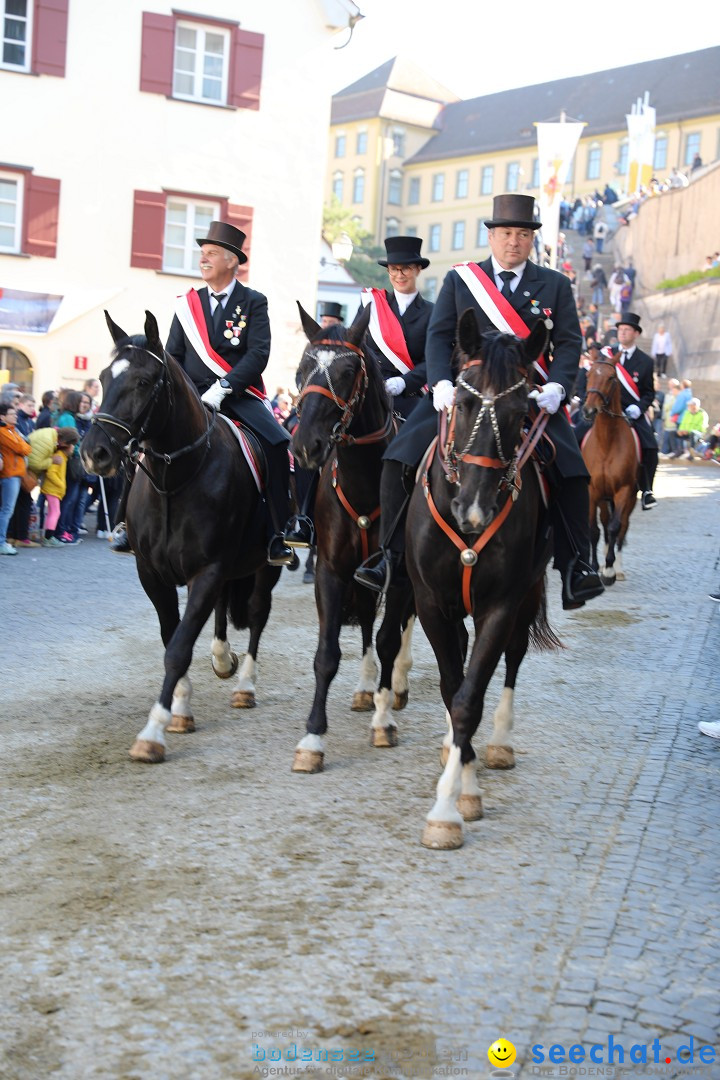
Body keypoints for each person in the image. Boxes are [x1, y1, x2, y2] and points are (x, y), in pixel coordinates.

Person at [356, 193, 604, 611]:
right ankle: (389, 556)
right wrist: (438, 384)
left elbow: (567, 343)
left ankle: (576, 564)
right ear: (491, 236)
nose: (514, 242)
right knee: (398, 457)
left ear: (531, 240)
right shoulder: (461, 280)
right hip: (465, 394)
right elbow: (439, 335)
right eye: (506, 233)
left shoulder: (555, 285)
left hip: (526, 397)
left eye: (523, 234)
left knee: (573, 470)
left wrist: (559, 387)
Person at [114, 220, 294, 566]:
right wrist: (182, 392)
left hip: (238, 395)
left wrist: (224, 387)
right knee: (143, 441)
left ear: (231, 260)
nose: (204, 260)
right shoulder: (187, 304)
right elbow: (174, 355)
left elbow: (258, 354)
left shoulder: (253, 301)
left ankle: (277, 532)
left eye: (212, 254)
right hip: (190, 394)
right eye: (203, 254)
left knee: (276, 443)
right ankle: (125, 522)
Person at [353, 235, 434, 422]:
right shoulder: (371, 305)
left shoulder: (433, 312)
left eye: (406, 268)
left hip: (409, 395)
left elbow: (433, 360)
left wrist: (404, 382)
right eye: (394, 269)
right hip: (368, 389)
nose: (399, 275)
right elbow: (354, 346)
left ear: (418, 270)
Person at [614, 313, 659, 509]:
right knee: (577, 435)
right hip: (607, 410)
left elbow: (649, 393)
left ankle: (647, 489)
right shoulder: (607, 355)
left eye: (627, 330)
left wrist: (638, 408)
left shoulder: (646, 361)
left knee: (650, 447)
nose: (622, 333)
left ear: (636, 334)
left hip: (633, 412)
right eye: (620, 329)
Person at [0, 402, 32, 555]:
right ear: (2, 416)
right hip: (9, 474)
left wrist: (23, 444)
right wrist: (23, 444)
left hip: (14, 474)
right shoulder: (3, 431)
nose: (15, 416)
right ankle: (1, 542)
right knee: (7, 510)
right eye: (12, 414)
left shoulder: (12, 430)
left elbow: (27, 447)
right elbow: (22, 448)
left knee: (7, 510)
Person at [39, 428, 80, 547]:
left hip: (54, 490)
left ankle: (47, 536)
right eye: (72, 445)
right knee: (55, 512)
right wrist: (61, 484)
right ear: (66, 445)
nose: (74, 448)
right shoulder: (59, 456)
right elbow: (51, 473)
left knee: (53, 512)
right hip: (53, 489)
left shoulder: (63, 456)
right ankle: (48, 537)